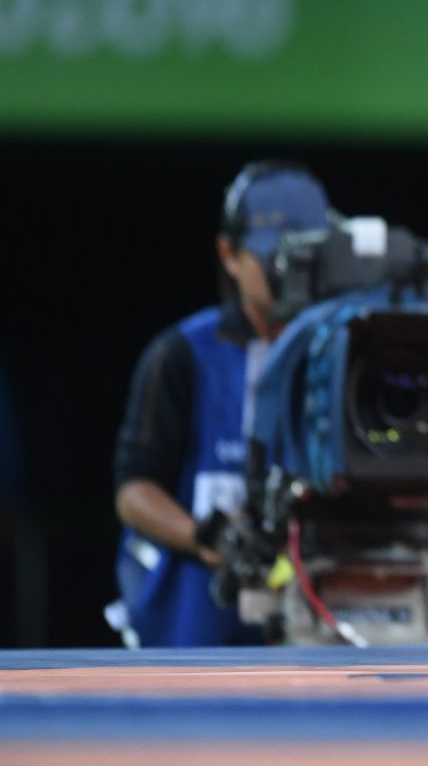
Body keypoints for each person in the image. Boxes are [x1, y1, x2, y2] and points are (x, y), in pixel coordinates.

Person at [106, 162, 332, 647]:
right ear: (229, 254)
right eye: (272, 259)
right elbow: (133, 491)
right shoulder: (183, 354)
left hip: (313, 628)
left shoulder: (342, 352)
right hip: (189, 632)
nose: (286, 275)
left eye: (304, 260)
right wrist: (209, 537)